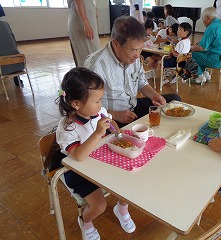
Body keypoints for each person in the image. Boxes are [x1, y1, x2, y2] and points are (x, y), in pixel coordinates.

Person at [56, 67, 136, 240]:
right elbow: (77, 155)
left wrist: (116, 131)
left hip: (102, 160)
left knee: (129, 184)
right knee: (99, 206)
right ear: (76, 104)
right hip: (79, 171)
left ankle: (121, 208)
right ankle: (86, 222)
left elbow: (111, 121)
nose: (101, 105)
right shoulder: (68, 126)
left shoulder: (98, 112)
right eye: (97, 101)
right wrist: (98, 133)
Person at [84, 16, 181, 128]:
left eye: (140, 49)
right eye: (133, 49)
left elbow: (141, 82)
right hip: (110, 118)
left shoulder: (133, 57)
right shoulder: (95, 65)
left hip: (132, 107)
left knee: (174, 100)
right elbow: (85, 106)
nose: (138, 55)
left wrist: (154, 95)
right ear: (116, 43)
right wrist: (114, 115)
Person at [190, 7, 221, 84]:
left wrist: (190, 47)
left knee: (190, 55)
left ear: (208, 18)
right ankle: (205, 74)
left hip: (215, 60)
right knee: (200, 55)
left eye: (203, 19)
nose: (203, 22)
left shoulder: (211, 27)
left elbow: (201, 47)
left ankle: (200, 76)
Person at [67, 0, 100, 67]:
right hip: (81, 23)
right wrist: (86, 23)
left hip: (85, 20)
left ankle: (89, 76)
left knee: (92, 55)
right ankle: (87, 76)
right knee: (87, 57)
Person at [0, 18, 24, 87]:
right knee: (12, 53)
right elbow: (14, 39)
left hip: (3, 66)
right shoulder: (5, 24)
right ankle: (17, 80)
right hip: (18, 63)